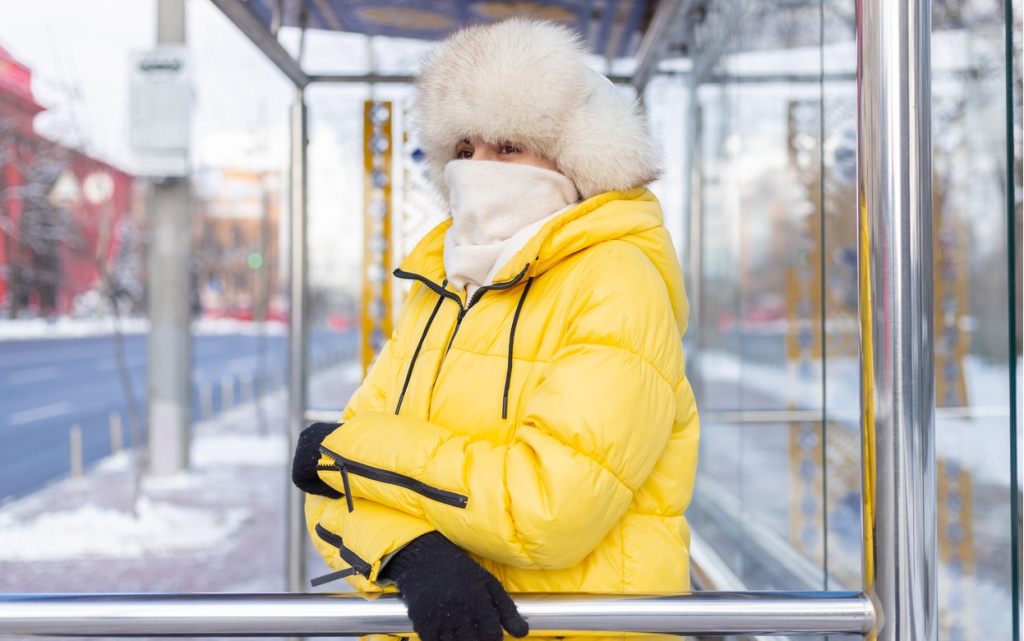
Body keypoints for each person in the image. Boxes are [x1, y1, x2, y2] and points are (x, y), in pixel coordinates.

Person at [291, 17, 699, 641]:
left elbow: (549, 505)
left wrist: (355, 455)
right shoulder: (445, 282)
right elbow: (328, 489)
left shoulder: (617, 280)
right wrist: (408, 554)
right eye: (464, 149)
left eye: (507, 146)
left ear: (576, 157)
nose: (479, 168)